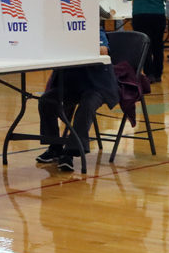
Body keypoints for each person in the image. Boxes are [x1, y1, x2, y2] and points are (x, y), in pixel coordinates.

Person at [35, 30, 119, 171]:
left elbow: (103, 51)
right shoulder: (60, 33)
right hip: (71, 84)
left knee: (86, 105)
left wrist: (77, 45)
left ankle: (71, 152)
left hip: (96, 85)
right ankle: (55, 146)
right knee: (46, 101)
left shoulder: (95, 31)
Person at [123, 0, 167, 83]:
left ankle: (149, 74)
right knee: (158, 45)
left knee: (145, 46)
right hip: (158, 16)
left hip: (140, 16)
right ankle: (158, 73)